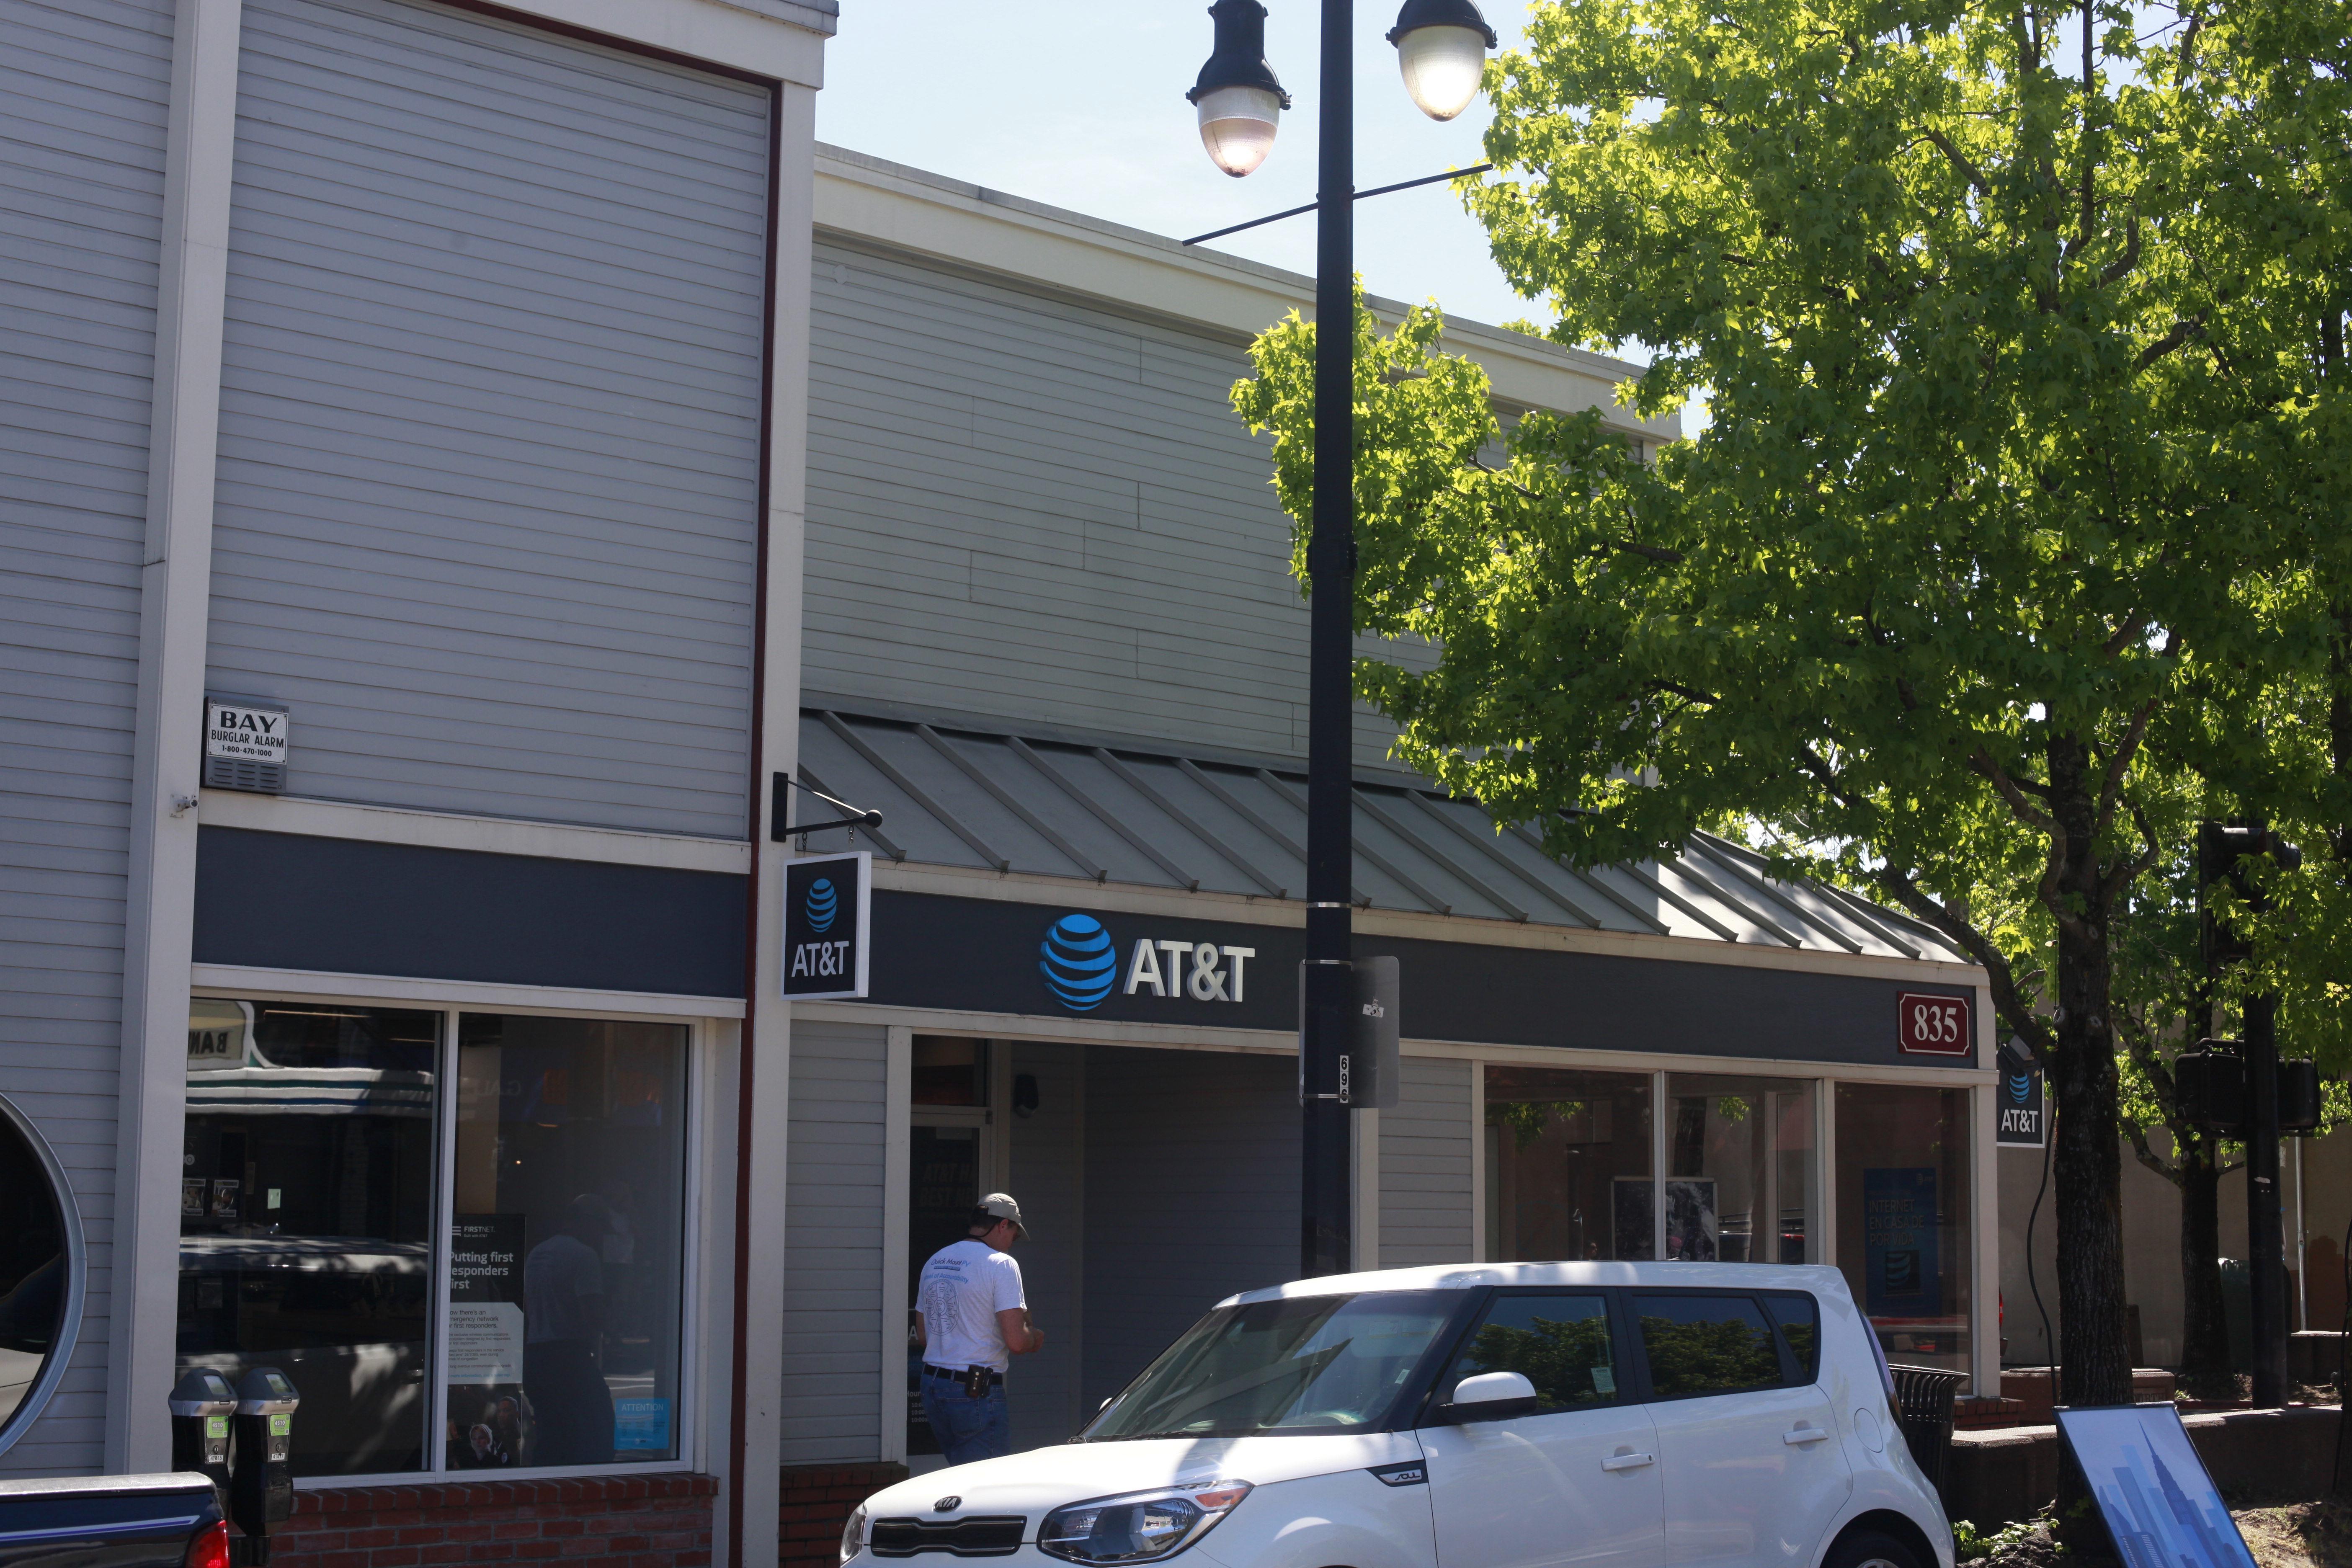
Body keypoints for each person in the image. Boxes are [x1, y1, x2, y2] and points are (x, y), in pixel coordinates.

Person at [914, 1193, 1043, 1465]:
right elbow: (1017, 1342)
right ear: (1003, 1225)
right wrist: (1034, 1336)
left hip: (933, 1386)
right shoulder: (1001, 1265)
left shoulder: (936, 1260)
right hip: (973, 1389)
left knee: (958, 1476)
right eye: (1015, 1235)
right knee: (986, 1485)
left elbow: (925, 1335)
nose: (1012, 1244)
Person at [523, 1195, 615, 1465]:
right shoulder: (584, 1256)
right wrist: (613, 1321)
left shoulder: (538, 1253)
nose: (600, 1236)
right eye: (599, 1228)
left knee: (552, 1436)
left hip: (536, 1356)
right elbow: (592, 1313)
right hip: (568, 1357)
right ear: (586, 1223)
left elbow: (529, 1306)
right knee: (599, 1430)